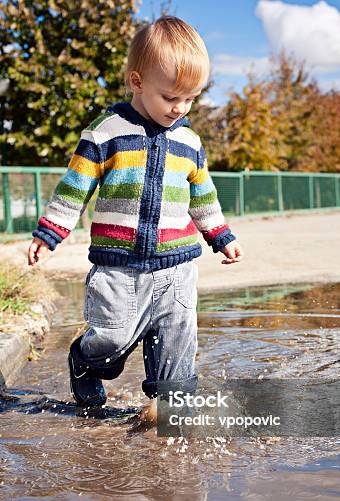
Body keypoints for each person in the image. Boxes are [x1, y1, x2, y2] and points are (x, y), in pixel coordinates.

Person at [27, 15, 243, 426]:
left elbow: (203, 195)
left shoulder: (189, 141)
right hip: (119, 271)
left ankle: (172, 421)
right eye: (170, 97)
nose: (180, 108)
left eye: (190, 98)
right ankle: (84, 361)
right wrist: (49, 232)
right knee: (110, 341)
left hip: (178, 269)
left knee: (177, 354)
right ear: (138, 81)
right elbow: (74, 187)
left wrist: (221, 235)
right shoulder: (105, 132)